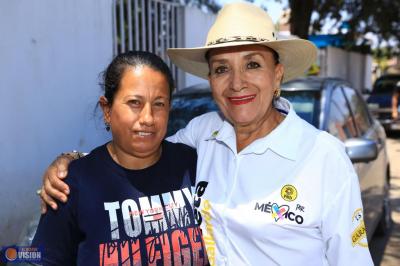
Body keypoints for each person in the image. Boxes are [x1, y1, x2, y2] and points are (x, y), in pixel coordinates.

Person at [38, 2, 373, 265]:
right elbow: (137, 152)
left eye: (253, 64)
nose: (237, 82)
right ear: (211, 81)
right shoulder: (203, 134)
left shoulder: (323, 157)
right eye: (222, 69)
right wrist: (73, 164)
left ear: (278, 75)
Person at [32, 51, 208, 265]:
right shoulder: (71, 185)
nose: (148, 118)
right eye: (134, 102)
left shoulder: (195, 165)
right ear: (107, 109)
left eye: (159, 104)